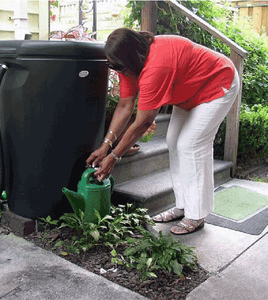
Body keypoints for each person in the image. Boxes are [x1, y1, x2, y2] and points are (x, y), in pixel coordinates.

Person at [86, 28, 240, 235]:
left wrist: (114, 156)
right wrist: (105, 144)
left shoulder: (156, 65)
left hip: (217, 82)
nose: (116, 70)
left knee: (190, 145)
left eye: (118, 66)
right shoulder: (126, 65)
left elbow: (142, 122)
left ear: (133, 58)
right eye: (112, 65)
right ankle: (183, 206)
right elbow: (125, 106)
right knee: (173, 141)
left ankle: (197, 214)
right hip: (188, 92)